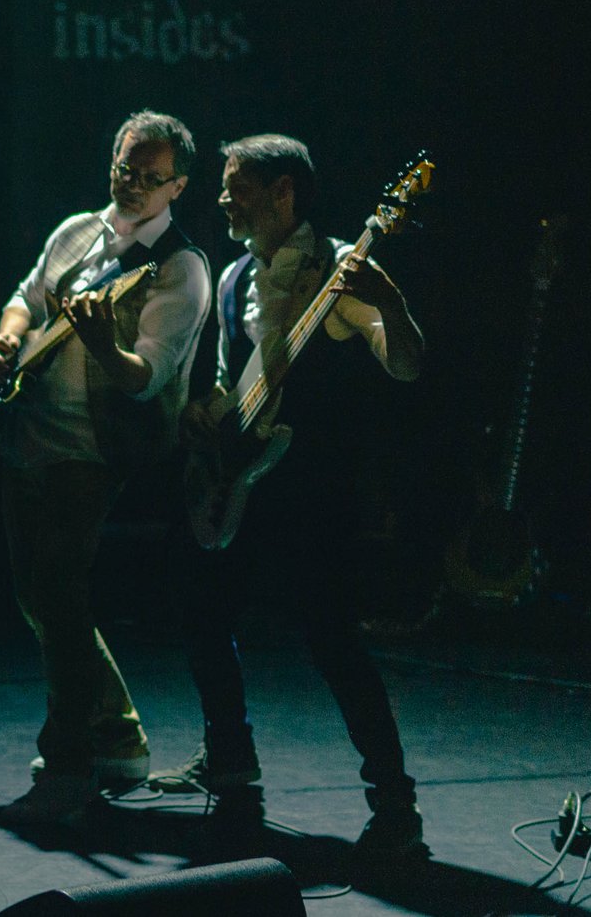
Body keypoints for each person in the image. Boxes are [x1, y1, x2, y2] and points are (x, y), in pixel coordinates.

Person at [150, 133, 430, 865]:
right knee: (200, 613)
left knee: (334, 643)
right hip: (241, 480)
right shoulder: (238, 272)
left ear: (284, 194)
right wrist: (204, 414)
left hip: (310, 497)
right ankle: (235, 781)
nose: (222, 198)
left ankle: (396, 804)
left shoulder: (337, 270)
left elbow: (404, 365)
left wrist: (392, 305)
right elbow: (224, 377)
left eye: (237, 185)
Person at [0, 110, 214, 825]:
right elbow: (25, 295)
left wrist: (102, 344)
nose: (133, 186)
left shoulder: (180, 267)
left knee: (57, 594)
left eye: (151, 179)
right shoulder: (78, 230)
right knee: (43, 601)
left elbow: (147, 377)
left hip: (93, 451)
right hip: (27, 433)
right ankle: (118, 739)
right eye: (125, 170)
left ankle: (70, 761)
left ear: (177, 186)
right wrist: (8, 334)